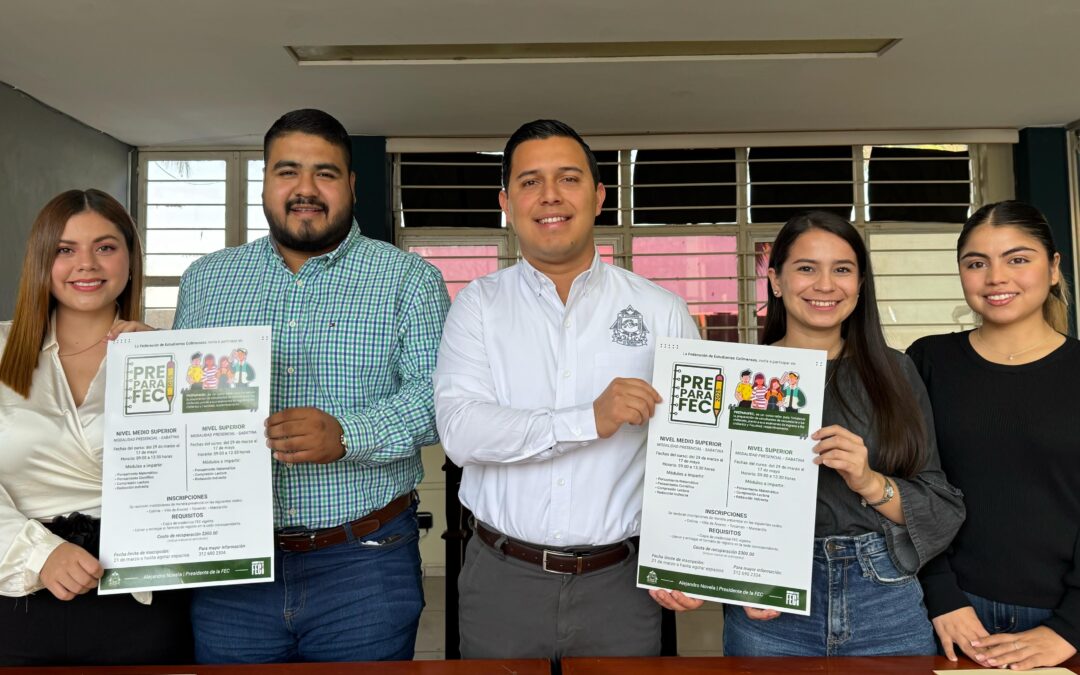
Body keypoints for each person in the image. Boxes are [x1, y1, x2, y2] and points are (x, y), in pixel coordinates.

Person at [173, 108, 450, 663]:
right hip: (230, 562)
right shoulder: (206, 280)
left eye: (324, 173)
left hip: (365, 561)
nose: (305, 189)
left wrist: (348, 434)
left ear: (350, 184)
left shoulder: (408, 279)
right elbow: (183, 411)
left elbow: (438, 400)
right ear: (265, 181)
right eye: (287, 171)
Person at [434, 119, 699, 662]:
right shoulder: (477, 306)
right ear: (506, 202)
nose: (550, 196)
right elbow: (461, 433)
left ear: (600, 195)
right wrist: (588, 418)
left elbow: (696, 451)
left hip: (620, 584)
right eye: (530, 181)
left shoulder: (660, 309)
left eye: (568, 178)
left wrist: (691, 556)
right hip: (503, 579)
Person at [651, 210, 965, 656]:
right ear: (776, 281)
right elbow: (703, 500)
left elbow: (941, 506)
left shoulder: (897, 372)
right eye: (806, 269)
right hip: (768, 607)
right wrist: (693, 573)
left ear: (859, 284)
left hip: (885, 601)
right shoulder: (736, 377)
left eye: (842, 269)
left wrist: (870, 482)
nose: (825, 285)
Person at [0, 189, 192, 666]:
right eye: (65, 250)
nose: (86, 264)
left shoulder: (177, 357)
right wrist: (39, 554)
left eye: (105, 247)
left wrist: (170, 373)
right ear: (41, 260)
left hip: (144, 600)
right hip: (17, 594)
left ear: (129, 259)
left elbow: (199, 478)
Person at [908, 200, 1079, 670]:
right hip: (945, 615)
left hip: (1064, 623)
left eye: (1017, 259)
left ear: (1053, 268)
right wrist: (941, 595)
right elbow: (904, 487)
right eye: (976, 263)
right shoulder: (927, 361)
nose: (995, 277)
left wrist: (1068, 628)